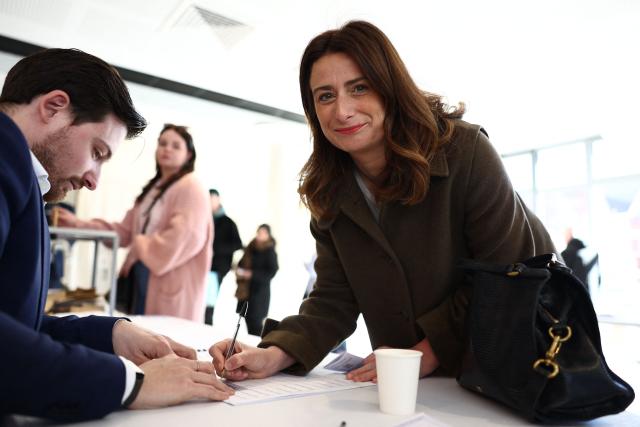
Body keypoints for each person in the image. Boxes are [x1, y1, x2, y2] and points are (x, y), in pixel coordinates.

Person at [210, 20, 556, 383]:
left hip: (509, 370)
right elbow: (332, 300)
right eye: (325, 96)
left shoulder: (465, 152)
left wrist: (428, 351)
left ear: (390, 89)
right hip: (413, 385)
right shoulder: (328, 190)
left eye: (359, 88)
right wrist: (272, 354)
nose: (342, 110)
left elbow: (508, 274)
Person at [0, 48, 232, 422]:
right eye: (97, 151)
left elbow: (19, 326)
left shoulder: (21, 173)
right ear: (53, 107)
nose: (93, 180)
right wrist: (132, 382)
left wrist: (112, 335)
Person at [57, 124, 213, 322]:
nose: (167, 149)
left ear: (189, 155)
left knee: (166, 344)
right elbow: (123, 231)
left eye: (175, 146)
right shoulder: (153, 189)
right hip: (142, 281)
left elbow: (187, 236)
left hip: (169, 289)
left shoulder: (191, 186)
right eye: (163, 143)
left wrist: (140, 244)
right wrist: (77, 224)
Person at [204, 188, 243, 324]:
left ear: (218, 200)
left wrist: (216, 249)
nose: (210, 202)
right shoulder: (202, 219)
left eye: (212, 199)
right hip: (202, 266)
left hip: (217, 268)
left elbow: (238, 244)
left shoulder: (228, 223)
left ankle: (206, 324)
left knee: (209, 303)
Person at [235, 224, 279, 335]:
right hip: (246, 291)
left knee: (255, 323)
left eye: (263, 233)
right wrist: (240, 271)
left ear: (268, 235)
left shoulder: (270, 251)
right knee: (245, 318)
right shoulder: (251, 247)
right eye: (259, 232)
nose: (260, 235)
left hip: (259, 293)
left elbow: (271, 272)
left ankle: (258, 347)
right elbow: (241, 262)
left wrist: (252, 274)